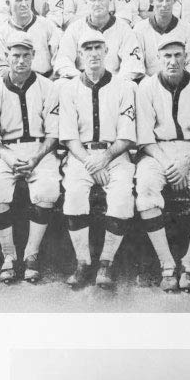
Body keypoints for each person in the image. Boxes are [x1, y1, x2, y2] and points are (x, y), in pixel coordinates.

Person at [0, 30, 62, 283]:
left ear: (34, 56)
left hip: (40, 151)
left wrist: (36, 158)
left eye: (26, 55)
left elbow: (54, 133)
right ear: (6, 56)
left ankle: (32, 254)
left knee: (48, 190)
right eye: (15, 55)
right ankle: (10, 256)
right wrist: (7, 156)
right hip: (7, 151)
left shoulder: (48, 86)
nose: (20, 61)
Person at [134, 31, 190, 292]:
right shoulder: (146, 87)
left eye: (178, 55)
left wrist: (185, 163)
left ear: (186, 58)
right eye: (167, 56)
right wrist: (167, 163)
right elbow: (145, 138)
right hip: (156, 151)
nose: (173, 61)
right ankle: (167, 264)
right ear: (159, 59)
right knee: (146, 189)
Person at [58, 29, 140, 289]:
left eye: (98, 48)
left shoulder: (124, 87)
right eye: (87, 49)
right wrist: (90, 163)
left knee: (122, 198)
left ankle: (106, 262)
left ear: (107, 52)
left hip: (114, 154)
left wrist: (104, 158)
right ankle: (83, 262)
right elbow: (69, 137)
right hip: (81, 155)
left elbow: (127, 136)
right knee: (73, 196)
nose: (93, 53)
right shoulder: (69, 88)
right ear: (80, 55)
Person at [53, 0, 144, 82]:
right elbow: (63, 61)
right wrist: (82, 80)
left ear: (110, 0)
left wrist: (116, 84)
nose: (97, 4)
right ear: (86, 2)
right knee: (60, 83)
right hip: (82, 83)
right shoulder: (75, 28)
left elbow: (132, 63)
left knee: (131, 86)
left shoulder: (123, 28)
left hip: (114, 81)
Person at [0, 0, 56, 78]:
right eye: (18, 0)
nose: (24, 4)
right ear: (8, 3)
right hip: (14, 84)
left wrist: (47, 83)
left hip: (46, 81)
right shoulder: (0, 33)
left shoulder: (47, 25)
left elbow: (59, 61)